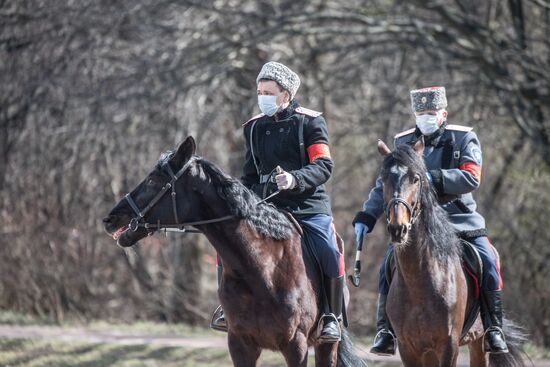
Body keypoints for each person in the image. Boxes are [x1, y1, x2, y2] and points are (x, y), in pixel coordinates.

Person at [352, 86, 509, 355]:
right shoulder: (402, 141)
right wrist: (368, 214)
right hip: (418, 224)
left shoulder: (464, 138)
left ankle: (494, 327)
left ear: (443, 114)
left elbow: (471, 177)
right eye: (421, 112)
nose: (426, 117)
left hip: (460, 220)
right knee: (388, 264)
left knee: (488, 260)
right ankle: (385, 330)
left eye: (431, 112)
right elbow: (387, 184)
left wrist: (430, 177)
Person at [210, 61, 345, 343]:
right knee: (227, 246)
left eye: (268, 92)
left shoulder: (310, 122)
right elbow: (249, 175)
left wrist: (295, 179)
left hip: (307, 207)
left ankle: (332, 315)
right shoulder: (253, 128)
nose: (262, 98)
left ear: (285, 94)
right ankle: (227, 308)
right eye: (260, 92)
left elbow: (323, 166)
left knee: (329, 250)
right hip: (266, 209)